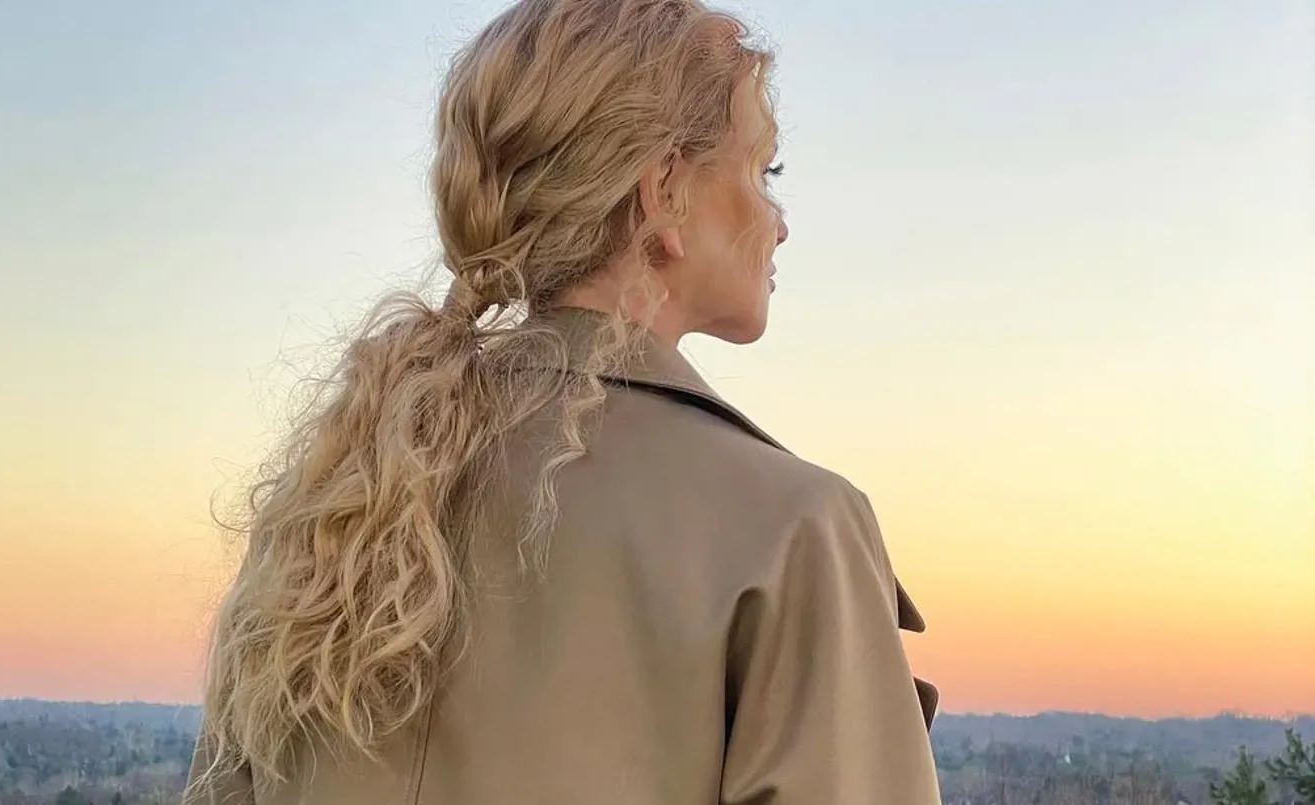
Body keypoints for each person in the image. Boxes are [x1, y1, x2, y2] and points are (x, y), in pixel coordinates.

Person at [184, 0, 941, 802]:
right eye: (764, 171)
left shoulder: (328, 512)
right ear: (665, 191)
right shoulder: (793, 528)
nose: (778, 223)